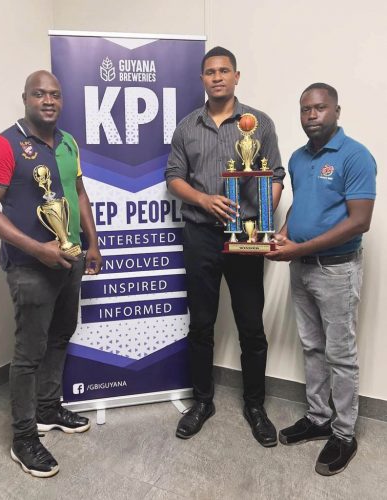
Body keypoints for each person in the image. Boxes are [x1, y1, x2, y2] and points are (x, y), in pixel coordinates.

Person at [0, 70, 102, 478]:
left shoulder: (67, 143)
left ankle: (48, 410)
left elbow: (77, 192)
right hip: (30, 266)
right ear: (25, 98)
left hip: (71, 257)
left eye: (55, 95)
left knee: (61, 336)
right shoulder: (2, 144)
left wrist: (93, 241)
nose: (48, 100)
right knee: (29, 353)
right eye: (39, 94)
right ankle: (24, 437)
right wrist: (36, 249)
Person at [165, 47, 285, 446]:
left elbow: (275, 176)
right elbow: (174, 177)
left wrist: (264, 222)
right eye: (210, 72)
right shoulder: (187, 127)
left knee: (251, 324)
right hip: (200, 235)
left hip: (246, 237)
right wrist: (202, 199)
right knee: (200, 323)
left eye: (224, 71)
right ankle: (203, 401)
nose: (217, 77)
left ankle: (255, 405)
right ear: (202, 79)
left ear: (237, 76)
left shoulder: (259, 123)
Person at [267, 83, 376, 475]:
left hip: (337, 269)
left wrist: (301, 247)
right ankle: (318, 418)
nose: (311, 116)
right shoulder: (297, 158)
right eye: (304, 110)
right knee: (312, 346)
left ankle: (345, 433)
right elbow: (303, 202)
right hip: (302, 267)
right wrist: (285, 231)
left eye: (319, 108)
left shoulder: (356, 156)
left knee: (340, 354)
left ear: (336, 111)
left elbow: (359, 220)